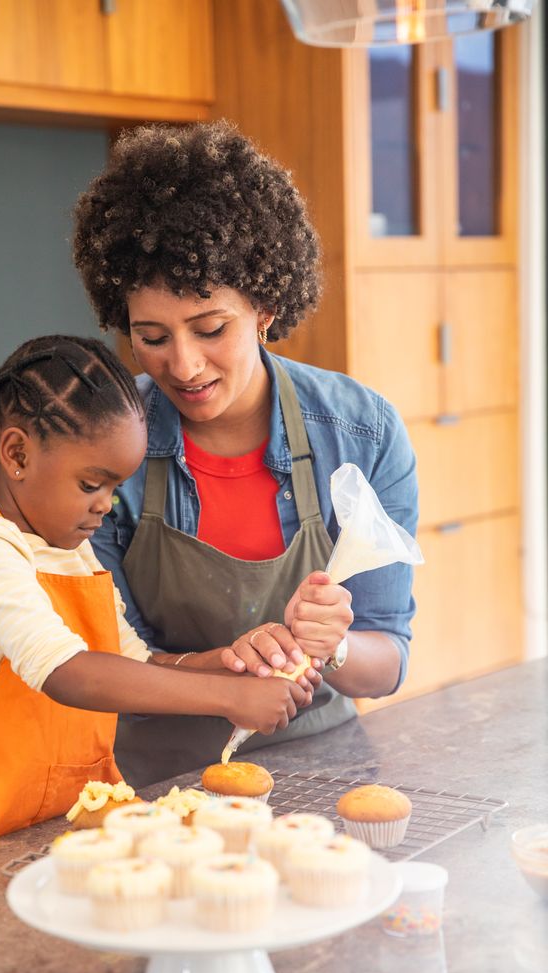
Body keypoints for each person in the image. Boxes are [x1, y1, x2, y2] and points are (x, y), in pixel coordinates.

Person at [73, 121, 419, 787]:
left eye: (210, 329)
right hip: (163, 792)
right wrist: (231, 669)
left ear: (264, 305)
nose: (184, 364)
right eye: (151, 336)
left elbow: (389, 658)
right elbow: (105, 662)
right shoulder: (106, 445)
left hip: (330, 774)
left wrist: (333, 645)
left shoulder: (362, 433)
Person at [0, 335, 310, 871]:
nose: (105, 505)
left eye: (114, 487)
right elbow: (64, 671)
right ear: (17, 453)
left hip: (58, 829)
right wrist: (224, 699)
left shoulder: (73, 550)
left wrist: (233, 665)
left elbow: (133, 663)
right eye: (92, 483)